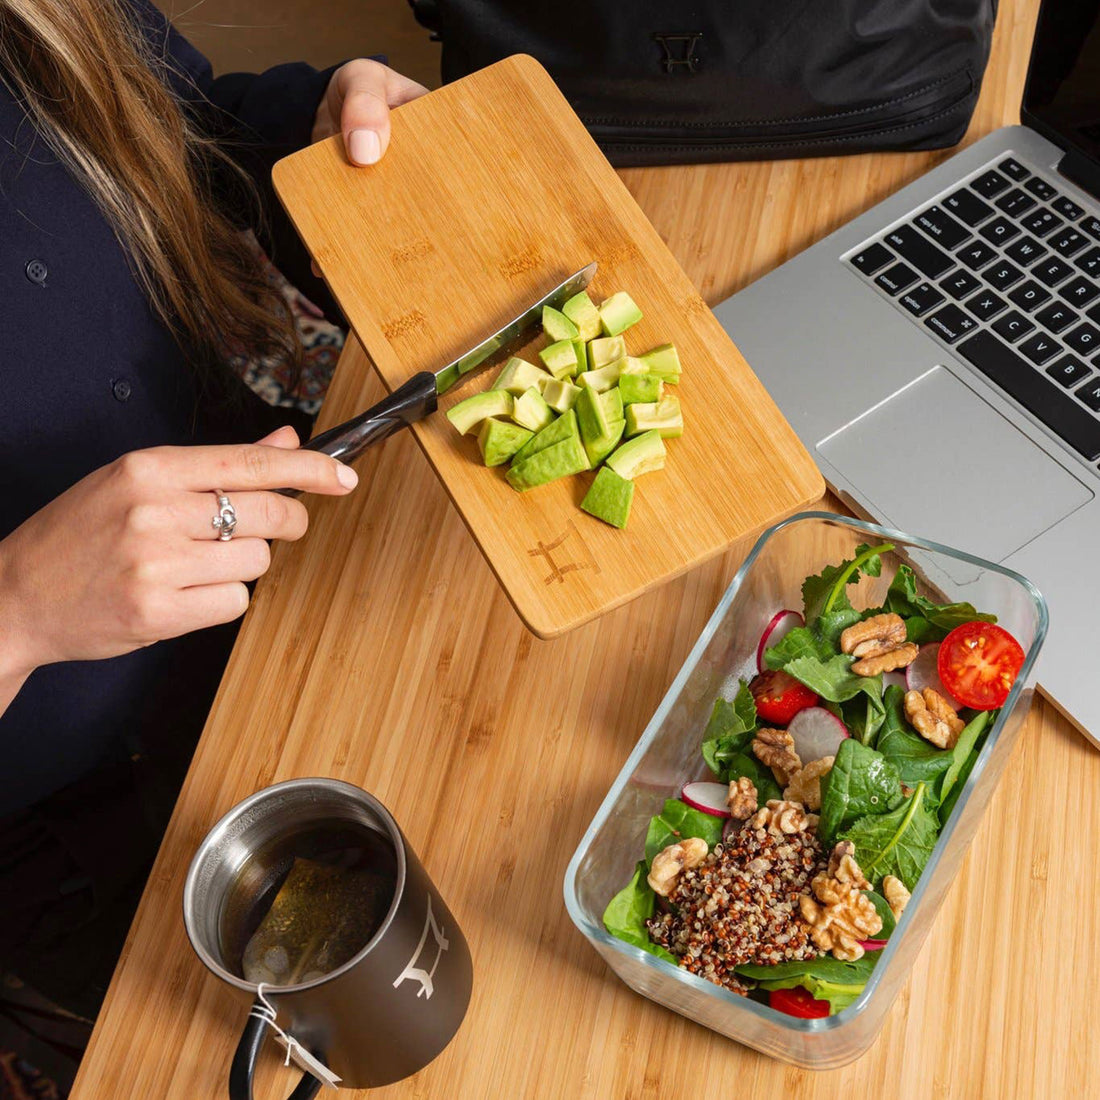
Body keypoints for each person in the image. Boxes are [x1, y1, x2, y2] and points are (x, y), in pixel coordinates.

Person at [0, 0, 427, 1022]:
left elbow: (190, 126)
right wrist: (15, 610)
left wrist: (323, 135)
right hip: (79, 837)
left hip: (311, 574)